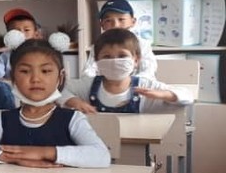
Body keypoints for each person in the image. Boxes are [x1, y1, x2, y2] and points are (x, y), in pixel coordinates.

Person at [0, 39, 111, 168]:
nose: (35, 79)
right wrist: (16, 158)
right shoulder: (2, 120)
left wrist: (43, 153)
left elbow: (101, 156)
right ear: (13, 77)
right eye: (25, 71)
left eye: (45, 71)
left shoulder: (73, 119)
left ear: (60, 77)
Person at [62, 28, 192, 114]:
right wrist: (74, 101)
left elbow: (188, 96)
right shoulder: (89, 85)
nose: (114, 61)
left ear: (136, 60)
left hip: (135, 143)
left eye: (122, 56)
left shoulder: (144, 86)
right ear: (96, 61)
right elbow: (58, 90)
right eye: (107, 56)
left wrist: (163, 95)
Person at [81, 0, 158, 79]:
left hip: (136, 85)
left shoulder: (142, 44)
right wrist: (103, 82)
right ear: (102, 25)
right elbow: (88, 72)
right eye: (108, 20)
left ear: (133, 22)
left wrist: (127, 83)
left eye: (121, 19)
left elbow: (148, 71)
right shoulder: (98, 46)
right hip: (107, 84)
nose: (115, 25)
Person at [0, 7, 42, 79]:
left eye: (26, 30)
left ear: (36, 34)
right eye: (16, 31)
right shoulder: (5, 56)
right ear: (9, 35)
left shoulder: (41, 55)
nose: (21, 34)